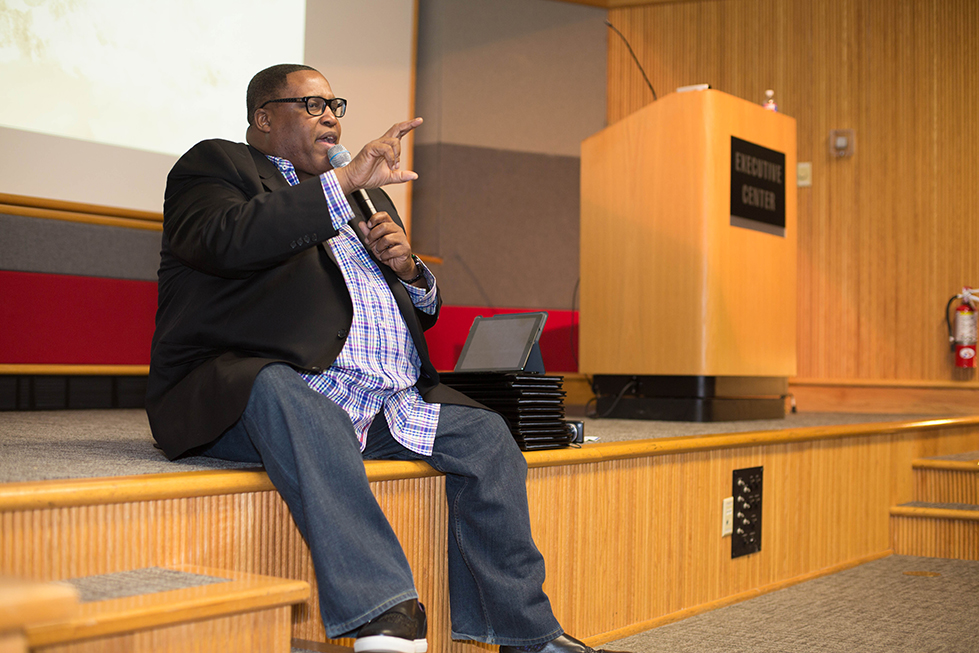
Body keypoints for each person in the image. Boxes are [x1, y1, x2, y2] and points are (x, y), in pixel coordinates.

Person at [147, 63, 621, 653]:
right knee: (291, 397)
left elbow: (419, 310)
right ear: (264, 119)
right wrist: (339, 185)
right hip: (261, 388)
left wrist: (410, 271)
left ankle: (524, 633)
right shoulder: (219, 165)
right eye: (313, 105)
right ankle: (384, 611)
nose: (331, 117)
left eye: (335, 105)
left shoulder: (367, 199)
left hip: (383, 399)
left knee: (486, 436)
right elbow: (225, 240)